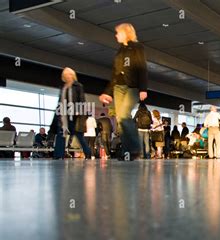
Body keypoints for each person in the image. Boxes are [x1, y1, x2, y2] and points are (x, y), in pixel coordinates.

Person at [99, 23, 148, 159]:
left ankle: (134, 148)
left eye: (118, 33)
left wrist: (143, 88)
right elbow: (115, 74)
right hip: (118, 88)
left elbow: (142, 68)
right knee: (121, 119)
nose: (116, 35)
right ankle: (127, 152)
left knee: (125, 116)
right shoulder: (120, 51)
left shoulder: (137, 47)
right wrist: (107, 92)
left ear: (126, 32)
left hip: (132, 87)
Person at [52, 67, 92, 160]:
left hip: (74, 115)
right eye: (65, 75)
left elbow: (82, 99)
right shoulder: (63, 87)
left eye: (69, 74)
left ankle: (88, 153)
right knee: (61, 134)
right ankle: (58, 155)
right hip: (63, 115)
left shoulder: (78, 86)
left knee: (78, 135)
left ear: (73, 75)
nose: (67, 76)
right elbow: (60, 100)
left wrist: (78, 110)